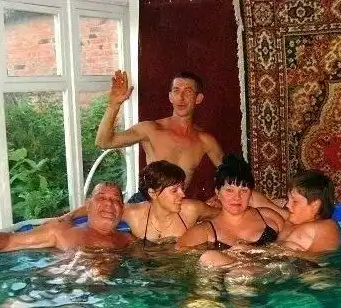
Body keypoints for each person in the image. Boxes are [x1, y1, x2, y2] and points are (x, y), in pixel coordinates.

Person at [0, 182, 134, 267]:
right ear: (87, 206)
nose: (109, 204)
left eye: (116, 200)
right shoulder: (61, 231)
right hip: (56, 291)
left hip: (106, 299)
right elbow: (10, 241)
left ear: (122, 208)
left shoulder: (128, 241)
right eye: (102, 198)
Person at [95, 70, 224, 200]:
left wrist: (218, 199)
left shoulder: (205, 141)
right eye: (176, 91)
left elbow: (229, 173)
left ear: (198, 98)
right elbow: (103, 142)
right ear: (170, 97)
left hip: (176, 205)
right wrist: (114, 105)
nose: (181, 97)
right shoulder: (151, 129)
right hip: (146, 202)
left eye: (188, 92)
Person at [198, 169, 341, 267]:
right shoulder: (290, 221)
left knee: (236, 273)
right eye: (288, 199)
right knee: (209, 257)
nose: (288, 205)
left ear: (315, 205)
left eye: (295, 201)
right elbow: (256, 199)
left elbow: (322, 262)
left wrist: (256, 251)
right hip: (267, 266)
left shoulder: (326, 227)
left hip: (295, 275)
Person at [64, 161, 220, 244]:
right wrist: (68, 217)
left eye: (182, 188)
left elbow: (224, 217)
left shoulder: (191, 209)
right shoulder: (134, 213)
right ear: (153, 193)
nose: (183, 194)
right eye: (175, 190)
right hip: (146, 268)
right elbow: (101, 207)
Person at [176, 155, 284, 250]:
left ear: (251, 194)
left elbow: (291, 242)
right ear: (218, 193)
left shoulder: (268, 216)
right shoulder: (205, 231)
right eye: (229, 190)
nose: (237, 197)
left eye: (244, 190)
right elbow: (179, 253)